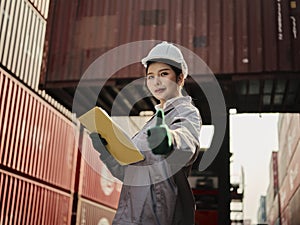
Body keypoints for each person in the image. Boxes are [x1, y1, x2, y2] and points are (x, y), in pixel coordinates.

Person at [90, 41, 202, 225]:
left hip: (156, 218)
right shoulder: (151, 124)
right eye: (150, 76)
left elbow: (188, 142)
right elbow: (128, 173)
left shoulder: (186, 112)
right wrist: (107, 151)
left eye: (164, 74)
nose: (155, 81)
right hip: (127, 218)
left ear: (180, 78)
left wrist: (169, 139)